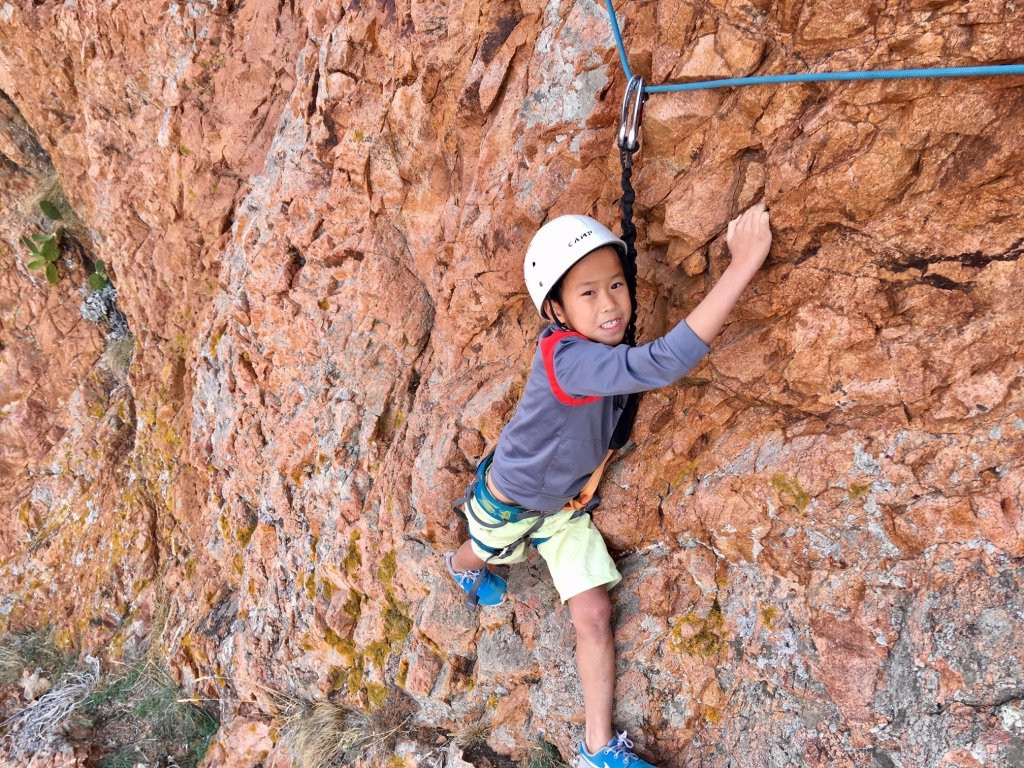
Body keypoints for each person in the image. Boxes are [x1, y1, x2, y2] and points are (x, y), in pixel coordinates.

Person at [445, 202, 772, 768]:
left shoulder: (594, 351)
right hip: (513, 502)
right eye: (588, 293)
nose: (611, 304)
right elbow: (663, 363)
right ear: (556, 310)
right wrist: (742, 265)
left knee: (594, 616)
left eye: (616, 285)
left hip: (562, 504)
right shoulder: (569, 359)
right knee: (484, 549)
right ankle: (463, 569)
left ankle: (597, 751)